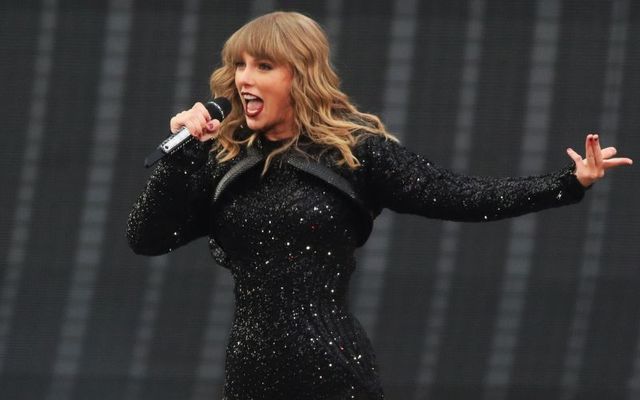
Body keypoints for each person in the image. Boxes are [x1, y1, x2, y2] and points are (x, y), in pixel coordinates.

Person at [126, 11, 633, 400]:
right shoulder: (223, 160)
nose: (243, 78)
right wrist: (182, 155)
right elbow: (146, 239)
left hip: (332, 367)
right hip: (249, 376)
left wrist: (567, 182)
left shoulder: (355, 153)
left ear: (299, 75)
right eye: (238, 64)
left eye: (263, 65)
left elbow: (460, 196)